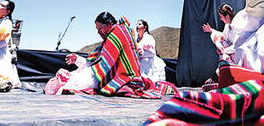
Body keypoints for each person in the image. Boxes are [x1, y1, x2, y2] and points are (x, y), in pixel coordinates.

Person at [44, 12, 176, 98]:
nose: (99, 32)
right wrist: (77, 59)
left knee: (74, 82)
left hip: (124, 77)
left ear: (109, 25)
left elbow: (102, 66)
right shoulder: (116, 33)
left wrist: (81, 70)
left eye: (100, 28)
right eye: (97, 29)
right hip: (121, 74)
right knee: (75, 78)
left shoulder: (116, 35)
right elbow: (99, 61)